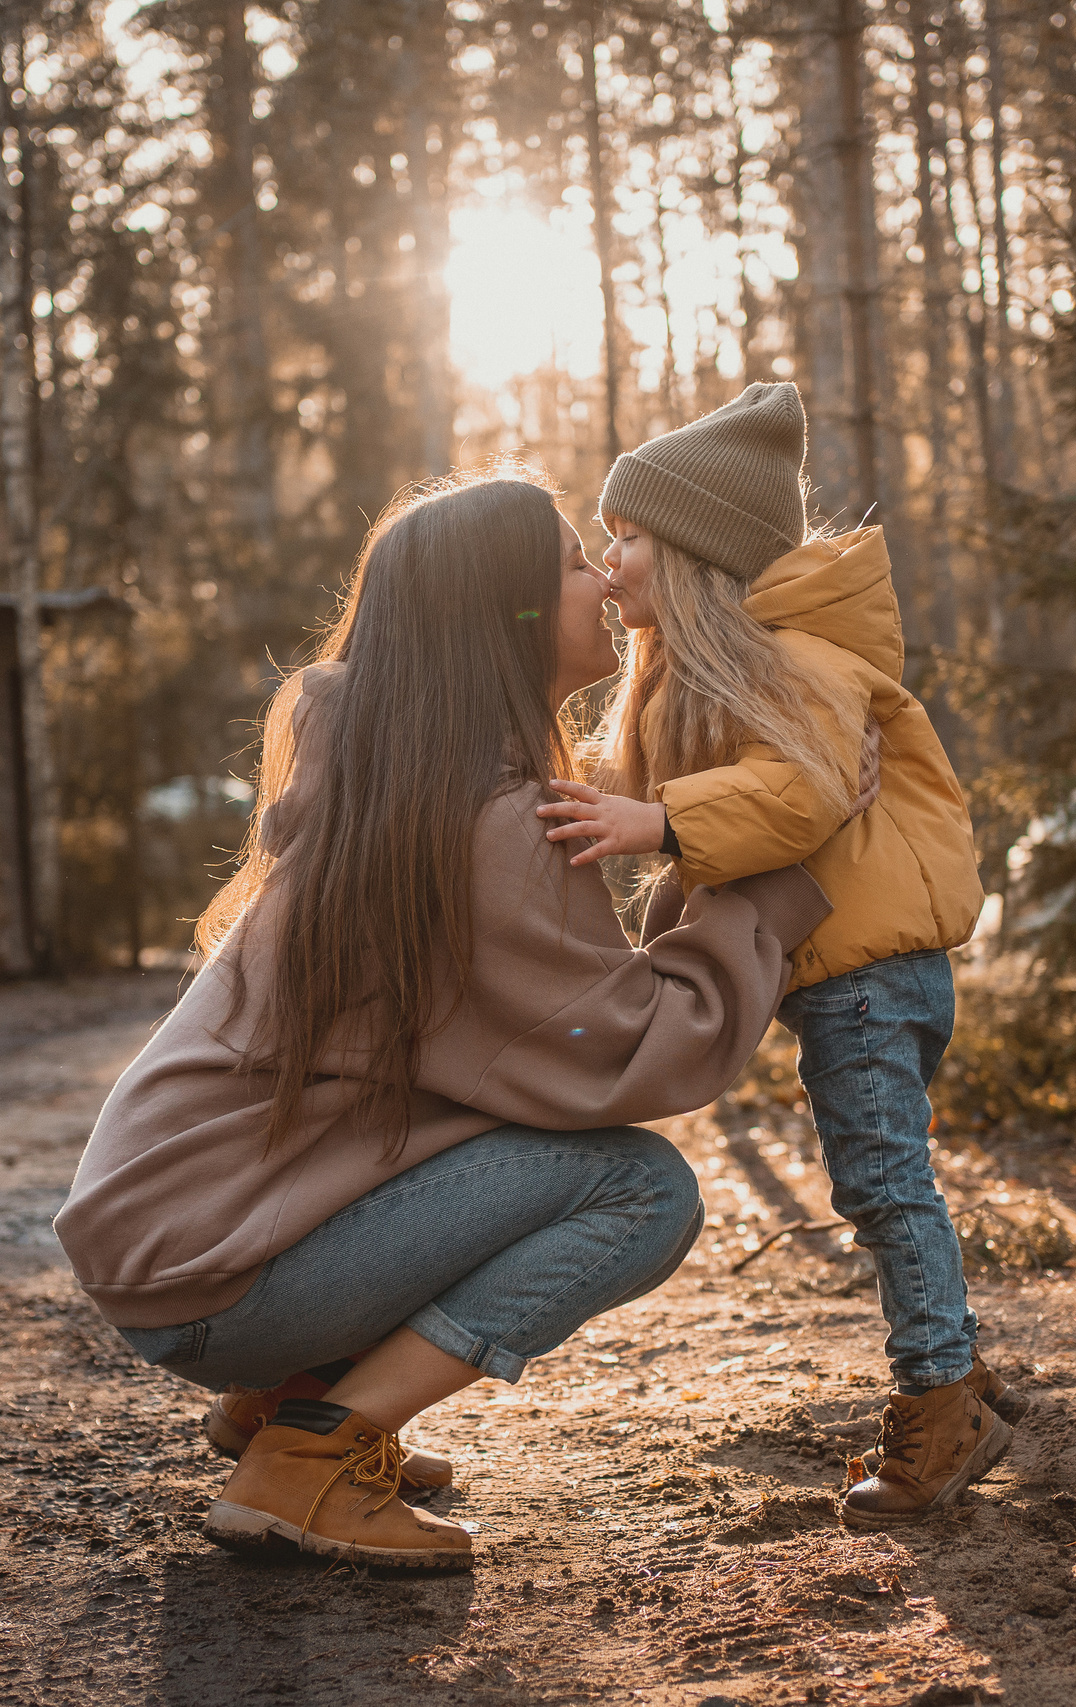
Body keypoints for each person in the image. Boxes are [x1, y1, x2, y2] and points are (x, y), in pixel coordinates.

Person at [54, 469, 831, 1571]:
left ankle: (288, 1401)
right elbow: (648, 1048)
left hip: (169, 1239)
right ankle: (311, 1458)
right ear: (500, 618)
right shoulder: (489, 827)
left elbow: (554, 1039)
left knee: (536, 1154)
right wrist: (771, 869)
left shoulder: (398, 793)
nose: (606, 582)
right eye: (573, 562)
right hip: (214, 1273)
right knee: (641, 1189)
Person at [533, 383, 1014, 1529]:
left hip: (866, 975)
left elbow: (797, 796)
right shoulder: (714, 672)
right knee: (888, 1180)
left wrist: (657, 826)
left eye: (629, 536)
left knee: (883, 1183)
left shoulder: (795, 660)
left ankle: (941, 1401)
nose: (609, 558)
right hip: (850, 970)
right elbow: (646, 789)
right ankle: (958, 1372)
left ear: (695, 553)